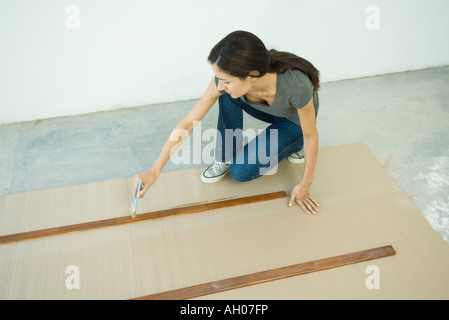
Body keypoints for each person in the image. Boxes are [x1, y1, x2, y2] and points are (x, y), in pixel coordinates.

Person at [133, 30, 320, 214]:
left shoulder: (297, 86)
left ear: (252, 75)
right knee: (226, 96)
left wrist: (306, 184)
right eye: (219, 78)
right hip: (267, 109)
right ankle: (225, 155)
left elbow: (311, 135)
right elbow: (188, 122)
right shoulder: (227, 84)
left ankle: (294, 144)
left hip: (293, 121)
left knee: (240, 172)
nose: (219, 85)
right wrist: (155, 170)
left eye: (226, 81)